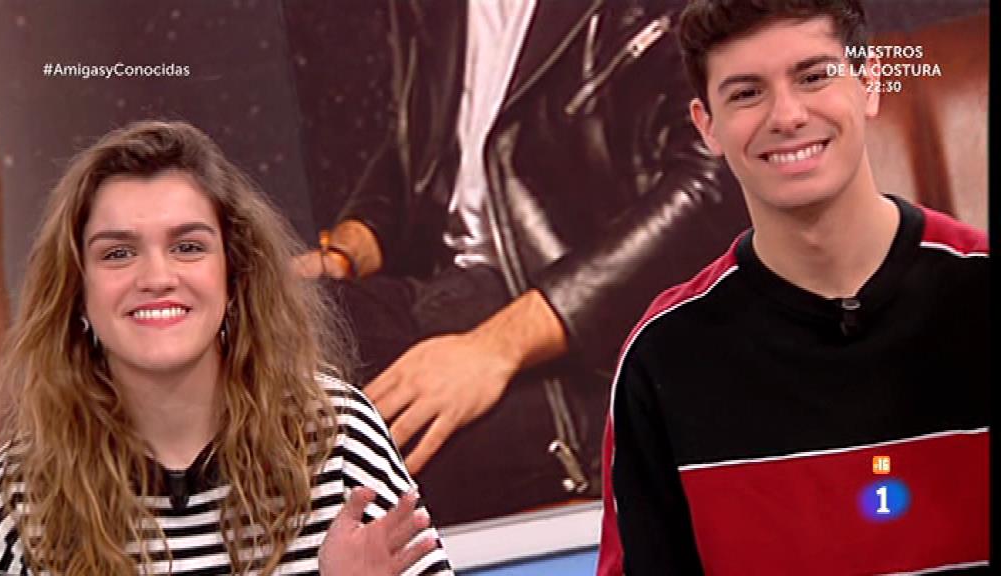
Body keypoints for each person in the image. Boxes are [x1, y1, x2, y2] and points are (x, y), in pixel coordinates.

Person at [295, 0, 751, 524]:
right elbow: (418, 150)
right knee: (271, 341)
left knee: (380, 473)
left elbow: (713, 185)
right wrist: (346, 252)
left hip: (597, 338)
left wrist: (495, 348)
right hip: (450, 293)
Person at [597, 0, 990, 574]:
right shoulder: (663, 357)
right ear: (707, 126)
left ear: (870, 84)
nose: (786, 115)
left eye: (813, 77)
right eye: (746, 93)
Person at [0, 120, 453, 576]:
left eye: (188, 247)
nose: (157, 278)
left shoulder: (337, 436)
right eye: (118, 253)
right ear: (77, 292)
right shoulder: (20, 494)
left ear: (234, 276)